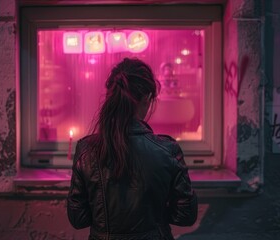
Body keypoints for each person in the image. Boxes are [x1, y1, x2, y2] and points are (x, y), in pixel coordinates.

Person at [67, 58, 198, 240]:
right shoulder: (168, 151)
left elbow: (78, 218)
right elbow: (186, 215)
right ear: (146, 99)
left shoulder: (86, 150)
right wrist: (154, 212)